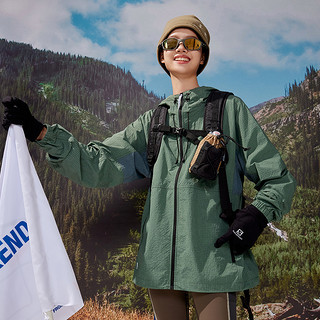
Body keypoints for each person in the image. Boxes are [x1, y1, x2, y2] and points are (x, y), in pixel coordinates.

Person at [2, 15, 296, 320]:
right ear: (162, 55)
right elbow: (97, 164)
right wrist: (40, 132)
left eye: (191, 43)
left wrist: (256, 216)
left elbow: (278, 180)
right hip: (159, 266)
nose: (181, 48)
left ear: (202, 55)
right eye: (172, 43)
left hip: (215, 262)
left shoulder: (229, 109)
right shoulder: (153, 122)